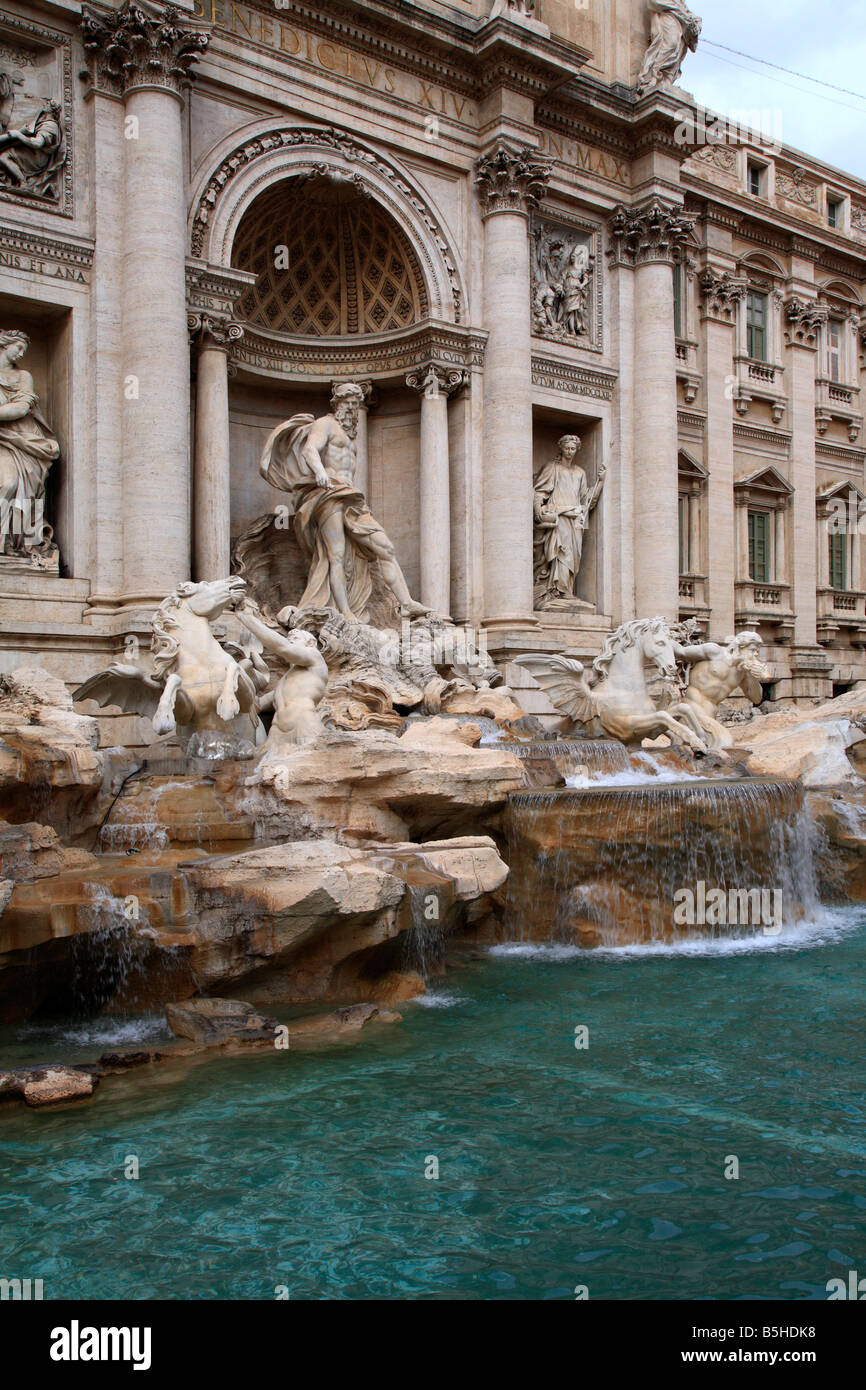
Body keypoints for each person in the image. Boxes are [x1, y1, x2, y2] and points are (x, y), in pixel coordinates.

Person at [259, 382, 432, 622]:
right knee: (336, 555)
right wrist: (320, 472)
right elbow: (310, 450)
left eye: (355, 404)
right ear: (337, 404)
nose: (352, 408)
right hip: (329, 493)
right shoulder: (325, 424)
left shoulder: (351, 437)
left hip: (351, 497)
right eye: (348, 403)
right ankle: (345, 612)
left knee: (385, 547)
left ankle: (406, 603)